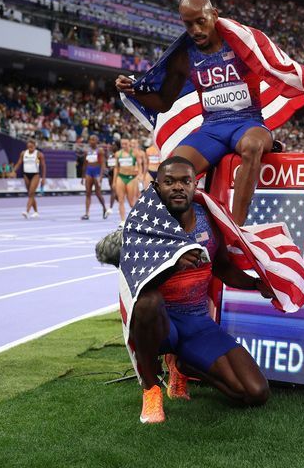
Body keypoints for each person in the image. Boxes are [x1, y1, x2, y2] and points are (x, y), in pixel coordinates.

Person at [110, 156, 274, 424]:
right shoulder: (144, 223)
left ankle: (183, 365)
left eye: (186, 181)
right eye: (169, 181)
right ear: (157, 186)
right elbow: (134, 285)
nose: (178, 187)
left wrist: (255, 283)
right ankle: (151, 390)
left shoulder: (207, 219)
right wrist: (172, 265)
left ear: (195, 185)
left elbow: (222, 267)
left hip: (197, 321)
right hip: (161, 322)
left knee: (254, 392)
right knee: (148, 304)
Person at [115, 0, 279, 225]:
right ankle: (176, 229)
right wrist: (134, 91)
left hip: (248, 122)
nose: (195, 30)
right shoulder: (184, 56)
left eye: (200, 21)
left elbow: (276, 67)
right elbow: (163, 102)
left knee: (252, 146)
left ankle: (237, 231)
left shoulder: (241, 43)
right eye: (188, 24)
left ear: (214, 15)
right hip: (212, 128)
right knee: (170, 170)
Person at [12, 139, 44, 218]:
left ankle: (27, 211)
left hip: (35, 175)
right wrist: (13, 171)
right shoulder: (23, 153)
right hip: (26, 175)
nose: (30, 148)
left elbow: (43, 166)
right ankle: (36, 212)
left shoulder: (39, 154)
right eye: (28, 147)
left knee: (31, 193)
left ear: (34, 146)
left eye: (31, 147)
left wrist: (43, 178)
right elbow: (19, 163)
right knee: (31, 194)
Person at [113, 138, 141, 221]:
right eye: (122, 144)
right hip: (121, 177)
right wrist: (114, 181)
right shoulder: (118, 154)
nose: (124, 146)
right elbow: (116, 167)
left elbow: (140, 165)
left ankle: (138, 218)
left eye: (126, 144)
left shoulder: (135, 153)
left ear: (129, 143)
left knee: (131, 202)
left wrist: (139, 175)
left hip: (131, 178)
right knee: (120, 200)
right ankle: (122, 221)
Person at [81, 135, 108, 220]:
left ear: (97, 141)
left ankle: (104, 208)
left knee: (98, 193)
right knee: (88, 193)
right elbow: (85, 164)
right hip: (89, 171)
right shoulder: (86, 151)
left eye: (93, 140)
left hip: (97, 171)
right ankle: (86, 213)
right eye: (90, 140)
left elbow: (103, 164)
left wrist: (101, 176)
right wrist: (82, 177)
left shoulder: (100, 151)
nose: (92, 141)